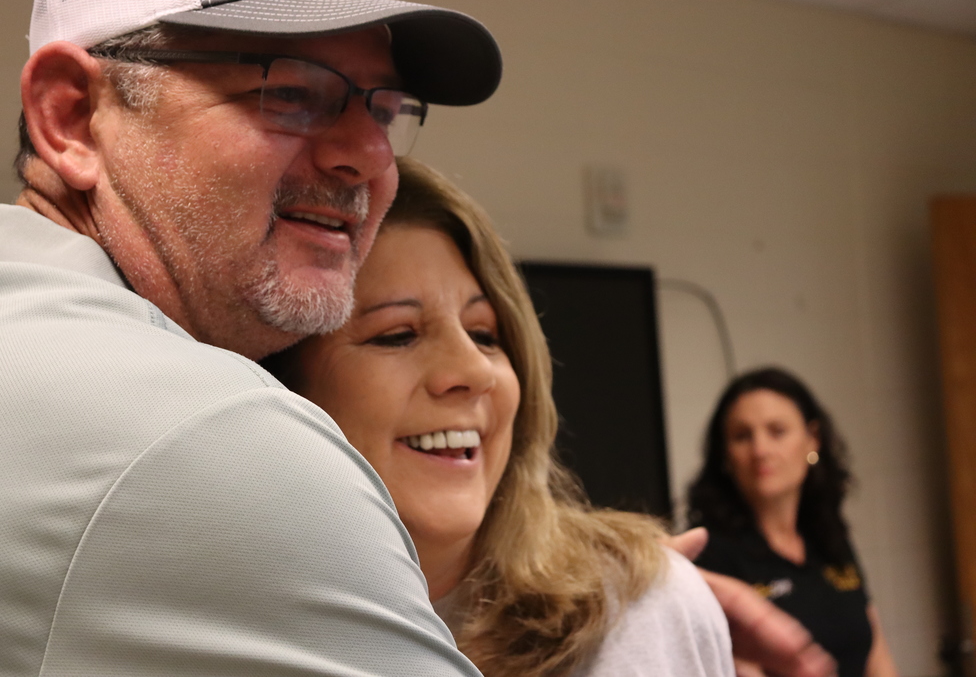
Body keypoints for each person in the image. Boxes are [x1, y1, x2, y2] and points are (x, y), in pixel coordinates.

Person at [0, 0, 502, 674]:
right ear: (73, 117)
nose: (370, 155)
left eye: (384, 112)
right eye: (293, 93)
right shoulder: (214, 433)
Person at [264, 157, 786, 676]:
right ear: (282, 387)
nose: (473, 370)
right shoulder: (236, 631)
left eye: (485, 335)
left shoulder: (641, 614)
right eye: (397, 335)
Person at [687, 367, 900, 677]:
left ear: (812, 439)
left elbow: (877, 650)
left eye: (777, 431)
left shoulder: (829, 537)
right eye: (742, 436)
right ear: (725, 454)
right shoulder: (711, 557)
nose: (760, 450)